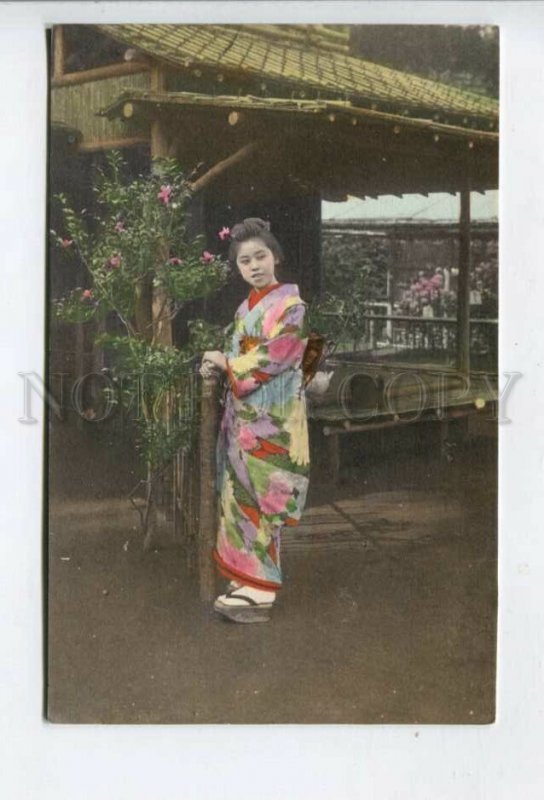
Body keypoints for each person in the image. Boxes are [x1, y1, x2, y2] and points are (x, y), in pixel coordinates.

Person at [200, 218, 310, 623]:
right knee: (238, 496)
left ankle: (261, 591)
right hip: (244, 417)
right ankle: (246, 577)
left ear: (275, 256)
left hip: (273, 419)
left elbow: (277, 354)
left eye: (261, 256)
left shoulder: (291, 307)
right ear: (239, 268)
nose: (254, 265)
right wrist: (223, 365)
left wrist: (229, 362)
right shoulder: (245, 308)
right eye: (245, 260)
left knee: (262, 498)